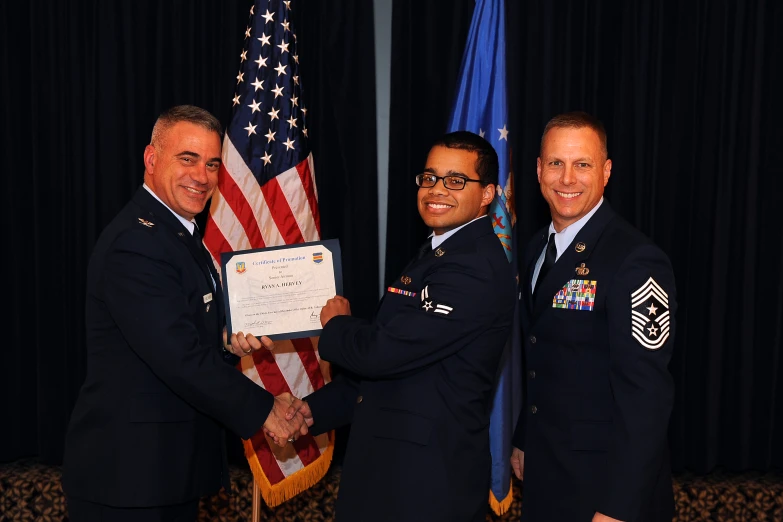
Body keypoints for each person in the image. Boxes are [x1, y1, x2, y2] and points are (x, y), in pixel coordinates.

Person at [63, 105, 304, 521]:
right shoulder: (136, 243)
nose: (202, 176)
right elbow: (178, 358)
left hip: (162, 470)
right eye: (187, 159)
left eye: (212, 164)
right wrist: (264, 409)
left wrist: (227, 342)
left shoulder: (177, 233)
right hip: (130, 479)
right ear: (151, 159)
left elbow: (185, 337)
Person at [274, 131, 516, 521]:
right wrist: (308, 411)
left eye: (456, 181)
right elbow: (387, 376)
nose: (437, 190)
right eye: (430, 177)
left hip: (426, 486)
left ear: (487, 194)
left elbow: (382, 354)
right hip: (387, 475)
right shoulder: (435, 253)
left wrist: (336, 325)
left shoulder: (475, 268)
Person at [510, 111, 677, 522]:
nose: (567, 178)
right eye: (556, 163)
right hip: (546, 477)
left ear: (606, 171)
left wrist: (618, 508)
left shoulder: (636, 260)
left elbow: (646, 401)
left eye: (582, 164)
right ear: (538, 169)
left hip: (606, 492)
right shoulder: (533, 250)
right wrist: (523, 438)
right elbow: (540, 359)